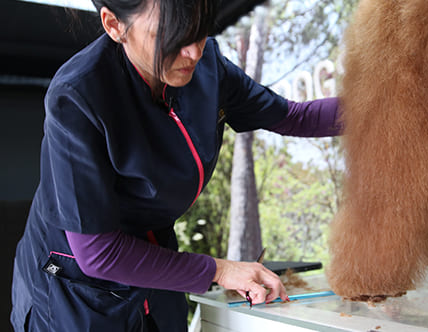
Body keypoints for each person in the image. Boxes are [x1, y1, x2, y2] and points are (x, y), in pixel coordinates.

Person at [10, 0, 341, 331]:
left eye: (198, 31)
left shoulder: (207, 65)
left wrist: (379, 108)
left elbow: (295, 116)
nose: (194, 52)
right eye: (172, 36)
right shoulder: (78, 95)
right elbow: (98, 251)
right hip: (76, 286)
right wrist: (221, 269)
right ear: (114, 25)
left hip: (156, 259)